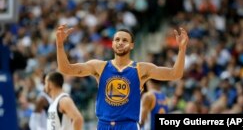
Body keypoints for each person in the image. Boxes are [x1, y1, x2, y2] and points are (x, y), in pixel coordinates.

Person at [56, 24, 189, 130]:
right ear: (112, 44)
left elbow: (174, 74)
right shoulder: (99, 66)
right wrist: (60, 45)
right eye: (117, 39)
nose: (120, 42)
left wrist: (182, 50)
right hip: (103, 125)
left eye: (125, 40)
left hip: (128, 125)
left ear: (132, 45)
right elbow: (66, 69)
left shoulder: (141, 69)